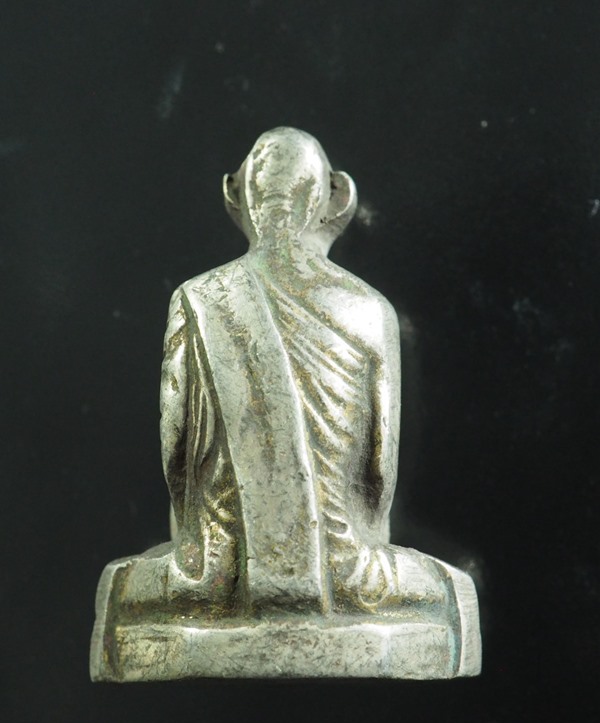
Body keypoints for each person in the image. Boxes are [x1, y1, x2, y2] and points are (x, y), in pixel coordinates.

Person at [151, 126, 449, 614]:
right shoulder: (369, 309)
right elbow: (378, 476)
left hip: (217, 569)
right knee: (448, 590)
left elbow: (176, 450)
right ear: (336, 198)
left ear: (235, 196)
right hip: (344, 569)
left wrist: (195, 538)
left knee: (126, 584)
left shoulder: (199, 298)